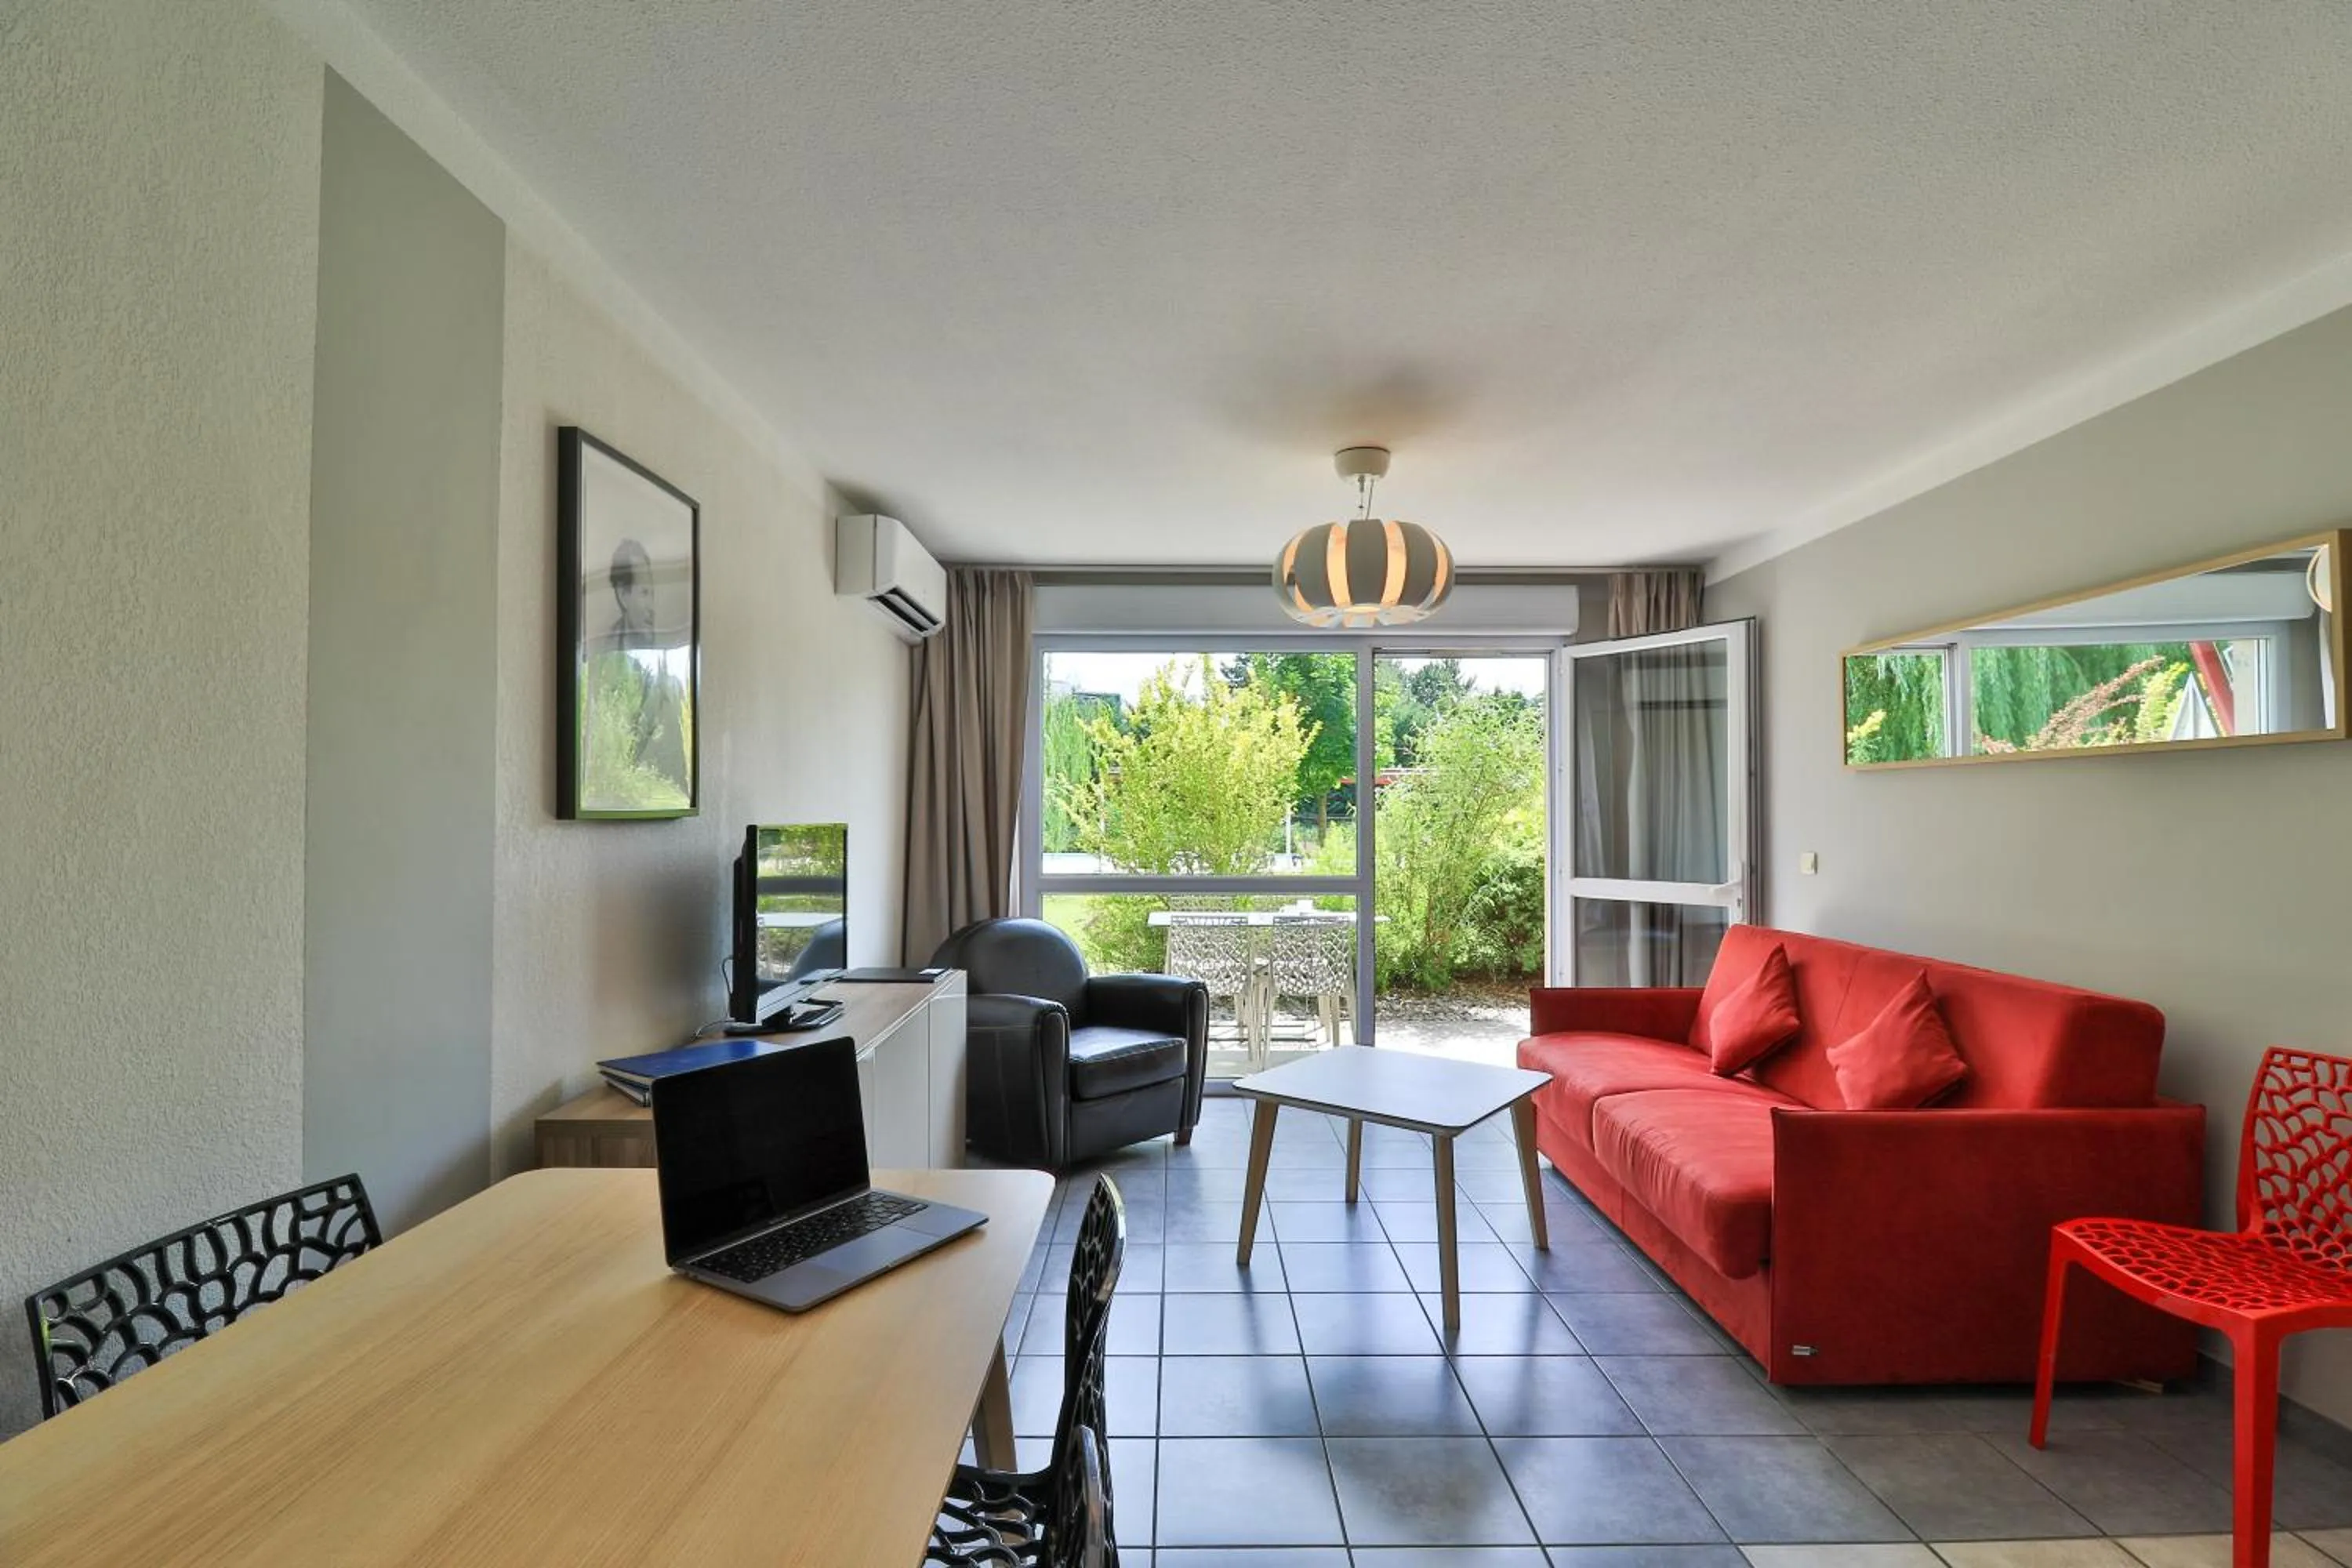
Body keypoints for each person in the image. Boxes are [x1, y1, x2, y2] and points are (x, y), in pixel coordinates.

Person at [584, 536, 689, 800]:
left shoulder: (669, 664)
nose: (652, 606)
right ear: (623, 595)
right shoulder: (602, 659)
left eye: (652, 593)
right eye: (644, 593)